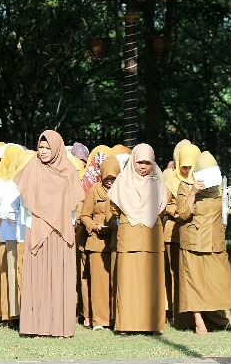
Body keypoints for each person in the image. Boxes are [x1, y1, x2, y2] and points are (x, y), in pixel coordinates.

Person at [15, 130, 85, 337]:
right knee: (37, 277)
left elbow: (74, 204)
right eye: (41, 147)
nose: (44, 152)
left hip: (61, 231)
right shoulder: (31, 168)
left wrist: (61, 221)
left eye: (48, 148)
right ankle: (35, 326)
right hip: (36, 228)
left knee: (58, 276)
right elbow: (23, 200)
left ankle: (59, 326)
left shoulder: (68, 171)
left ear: (56, 149)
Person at [108, 143, 167, 335]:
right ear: (133, 161)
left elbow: (163, 206)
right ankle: (126, 324)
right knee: (128, 281)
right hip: (130, 236)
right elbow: (114, 208)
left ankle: (152, 324)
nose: (143, 166)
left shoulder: (159, 181)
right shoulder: (122, 182)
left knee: (152, 281)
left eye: (147, 163)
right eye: (139, 162)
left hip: (151, 236)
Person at [176, 151, 231, 334]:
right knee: (194, 283)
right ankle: (199, 321)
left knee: (221, 281)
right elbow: (183, 214)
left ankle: (223, 319)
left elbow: (225, 215)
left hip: (215, 241)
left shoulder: (219, 188)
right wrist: (193, 192)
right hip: (194, 242)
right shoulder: (185, 187)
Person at [80, 156, 120, 331]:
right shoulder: (94, 191)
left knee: (116, 281)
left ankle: (115, 318)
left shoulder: (122, 191)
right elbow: (84, 216)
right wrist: (94, 226)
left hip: (117, 240)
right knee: (98, 283)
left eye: (114, 178)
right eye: (107, 179)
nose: (110, 182)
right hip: (97, 243)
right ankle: (100, 320)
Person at [164, 141, 201, 327]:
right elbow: (165, 203)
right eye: (183, 166)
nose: (186, 171)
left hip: (197, 233)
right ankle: (174, 311)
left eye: (190, 166)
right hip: (174, 232)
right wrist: (177, 212)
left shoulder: (203, 179)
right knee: (174, 274)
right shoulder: (170, 180)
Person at [0, 145, 25, 322]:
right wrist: (11, 215)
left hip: (24, 234)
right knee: (12, 274)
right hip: (10, 233)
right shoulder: (2, 182)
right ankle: (13, 314)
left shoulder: (24, 180)